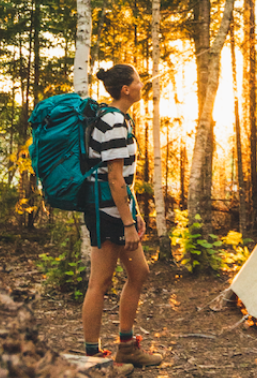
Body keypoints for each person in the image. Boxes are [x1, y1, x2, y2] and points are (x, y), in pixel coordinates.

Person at [82, 64, 163, 369]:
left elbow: (123, 179)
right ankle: (92, 357)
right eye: (138, 81)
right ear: (126, 90)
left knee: (139, 273)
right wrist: (127, 224)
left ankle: (126, 348)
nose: (143, 85)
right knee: (99, 283)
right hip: (107, 212)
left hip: (118, 208)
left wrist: (135, 213)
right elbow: (114, 178)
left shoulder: (120, 119)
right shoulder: (114, 121)